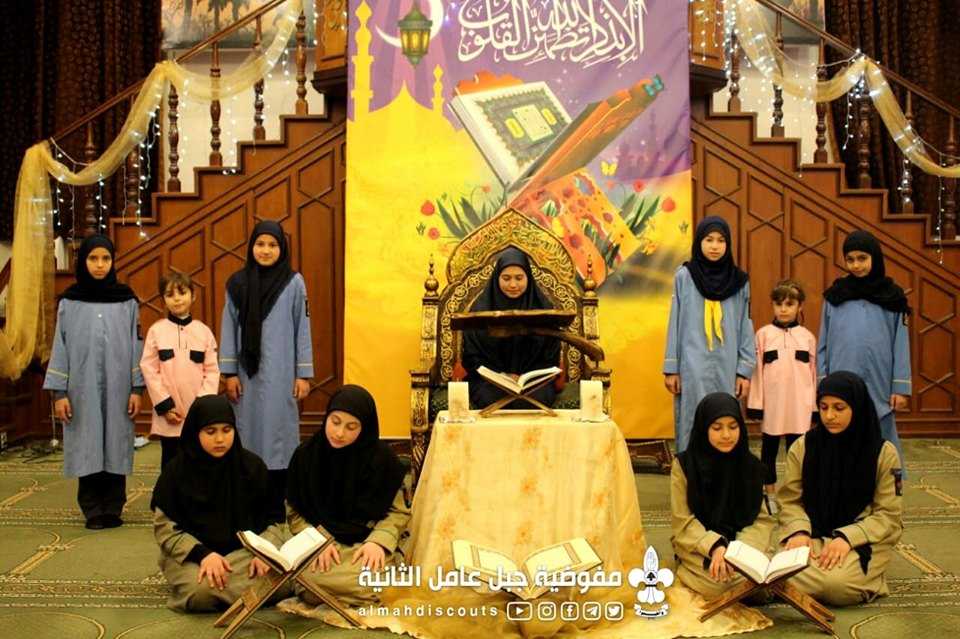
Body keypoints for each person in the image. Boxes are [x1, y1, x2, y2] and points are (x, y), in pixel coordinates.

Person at [43, 235, 143, 530]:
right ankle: (92, 509)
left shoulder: (126, 300)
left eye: (106, 259)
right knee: (87, 441)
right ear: (83, 262)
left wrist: (137, 388)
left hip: (119, 387)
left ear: (113, 261)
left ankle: (113, 507)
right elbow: (60, 347)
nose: (100, 265)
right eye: (93, 259)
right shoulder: (69, 302)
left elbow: (136, 345)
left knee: (115, 441)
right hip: (80, 388)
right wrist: (60, 393)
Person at [151, 394, 286, 612]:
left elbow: (275, 520)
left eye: (227, 430)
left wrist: (265, 552)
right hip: (192, 557)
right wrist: (204, 555)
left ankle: (232, 589)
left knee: (286, 574)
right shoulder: (176, 472)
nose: (220, 439)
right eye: (210, 432)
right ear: (196, 432)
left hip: (246, 554)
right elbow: (166, 530)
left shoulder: (252, 467)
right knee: (201, 592)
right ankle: (256, 591)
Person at [778, 371, 903, 606]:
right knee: (770, 569)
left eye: (839, 408)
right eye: (823, 407)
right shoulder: (804, 447)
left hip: (864, 537)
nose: (829, 416)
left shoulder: (883, 453)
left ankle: (863, 577)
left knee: (836, 586)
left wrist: (848, 538)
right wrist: (799, 531)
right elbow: (790, 501)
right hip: (813, 532)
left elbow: (888, 515)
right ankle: (807, 577)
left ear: (857, 407)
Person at [220, 220, 313, 520]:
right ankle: (249, 502)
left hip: (282, 376)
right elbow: (228, 328)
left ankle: (277, 504)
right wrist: (229, 373)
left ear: (282, 248)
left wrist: (303, 374)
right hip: (246, 377)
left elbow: (303, 329)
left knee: (279, 439)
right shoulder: (237, 284)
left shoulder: (294, 283)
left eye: (272, 245)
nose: (266, 250)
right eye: (260, 244)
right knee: (248, 436)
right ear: (251, 247)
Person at [286, 385, 410, 607]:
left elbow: (397, 512)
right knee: (313, 579)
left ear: (365, 427)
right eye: (335, 422)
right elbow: (294, 511)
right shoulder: (306, 455)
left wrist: (378, 542)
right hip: (322, 544)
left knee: (364, 579)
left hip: (364, 544)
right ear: (326, 417)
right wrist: (318, 541)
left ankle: (332, 590)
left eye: (351, 427)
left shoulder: (383, 461)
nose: (339, 433)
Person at [818, 230, 911, 476]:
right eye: (850, 259)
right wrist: (822, 381)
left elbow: (901, 344)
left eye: (862, 258)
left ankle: (888, 485)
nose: (856, 265)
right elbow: (823, 343)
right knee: (841, 433)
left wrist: (900, 387)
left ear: (875, 258)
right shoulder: (835, 296)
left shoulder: (893, 297)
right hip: (841, 379)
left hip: (880, 381)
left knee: (881, 435)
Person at [663, 216, 755, 452]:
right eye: (709, 239)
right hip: (691, 366)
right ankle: (691, 471)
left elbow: (745, 326)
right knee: (692, 418)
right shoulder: (685, 276)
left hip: (728, 365)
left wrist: (744, 371)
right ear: (699, 242)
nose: (715, 246)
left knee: (725, 419)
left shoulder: (739, 281)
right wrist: (672, 368)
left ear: (728, 244)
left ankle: (724, 473)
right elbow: (675, 321)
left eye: (721, 240)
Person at [670, 392, 773, 600]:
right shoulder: (685, 466)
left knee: (751, 578)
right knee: (719, 584)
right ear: (703, 429)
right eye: (717, 428)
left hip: (744, 547)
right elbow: (683, 521)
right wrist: (716, 547)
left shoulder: (752, 466)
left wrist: (737, 552)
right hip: (700, 546)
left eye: (733, 427)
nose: (726, 435)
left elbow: (761, 520)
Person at [461, 247, 561, 409]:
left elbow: (551, 356)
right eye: (506, 278)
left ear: (528, 278)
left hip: (534, 384)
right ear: (496, 278)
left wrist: (525, 377)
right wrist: (502, 376)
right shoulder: (480, 309)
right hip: (490, 383)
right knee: (489, 397)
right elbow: (471, 356)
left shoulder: (544, 309)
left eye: (519, 278)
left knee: (538, 397)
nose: (513, 285)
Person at [746, 279, 817, 503]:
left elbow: (814, 374)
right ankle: (770, 494)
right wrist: (756, 405)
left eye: (789, 304)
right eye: (779, 304)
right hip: (773, 406)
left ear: (800, 306)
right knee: (769, 451)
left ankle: (796, 494)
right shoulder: (763, 335)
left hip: (800, 407)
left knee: (798, 452)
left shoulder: (807, 337)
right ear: (773, 305)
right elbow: (757, 373)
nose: (784, 309)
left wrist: (814, 407)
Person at [141, 271, 219, 468]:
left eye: (182, 293)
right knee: (171, 465)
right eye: (170, 295)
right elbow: (149, 369)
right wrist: (166, 406)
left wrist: (201, 407)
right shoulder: (156, 331)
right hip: (170, 414)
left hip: (198, 414)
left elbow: (212, 371)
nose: (176, 299)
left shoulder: (203, 332)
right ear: (163, 300)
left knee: (199, 464)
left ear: (193, 296)